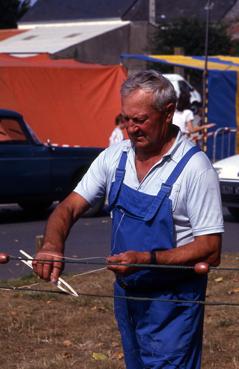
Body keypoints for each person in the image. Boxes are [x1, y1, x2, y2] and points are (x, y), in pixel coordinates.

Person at [32, 70, 224, 369]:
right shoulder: (115, 157)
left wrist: (146, 259)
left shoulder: (195, 170)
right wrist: (51, 245)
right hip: (129, 298)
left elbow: (211, 249)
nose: (131, 129)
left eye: (140, 120)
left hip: (172, 305)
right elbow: (67, 207)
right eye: (126, 119)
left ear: (168, 113)